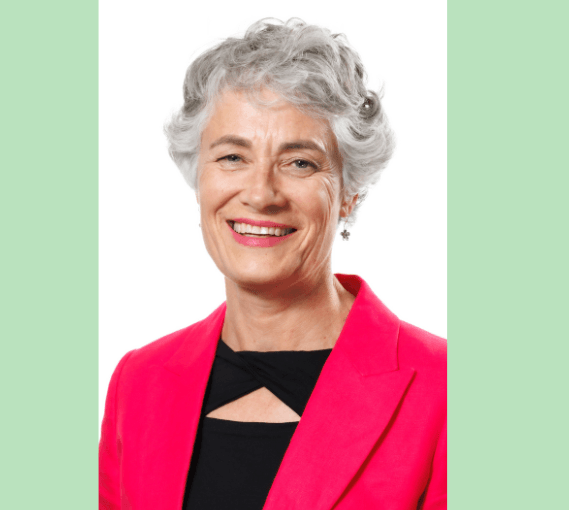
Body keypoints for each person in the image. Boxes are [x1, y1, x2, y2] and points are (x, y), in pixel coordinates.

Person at [99, 18, 446, 510]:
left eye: (299, 162)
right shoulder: (138, 384)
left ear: (349, 193)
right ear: (199, 179)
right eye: (232, 157)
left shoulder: (445, 391)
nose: (260, 194)